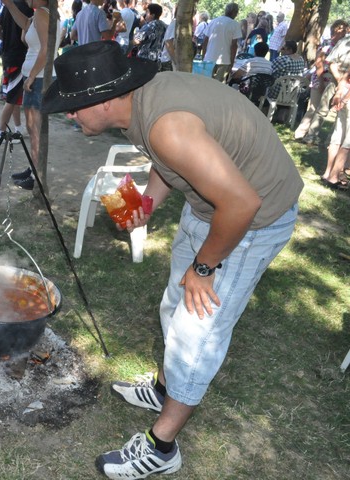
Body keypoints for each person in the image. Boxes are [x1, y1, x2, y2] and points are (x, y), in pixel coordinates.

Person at [42, 40, 303, 479]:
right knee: (173, 306)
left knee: (196, 333)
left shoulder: (167, 125)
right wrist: (146, 203)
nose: (70, 115)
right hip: (211, 207)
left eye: (74, 106)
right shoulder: (138, 107)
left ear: (103, 100)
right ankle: (165, 389)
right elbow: (168, 163)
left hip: (252, 220)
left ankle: (162, 447)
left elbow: (242, 203)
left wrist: (204, 268)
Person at [0, 0, 60, 190]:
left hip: (39, 78)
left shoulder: (42, 13)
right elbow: (26, 24)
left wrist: (32, 75)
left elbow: (46, 49)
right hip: (39, 76)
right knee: (34, 128)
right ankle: (34, 168)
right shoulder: (43, 13)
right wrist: (10, 6)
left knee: (35, 129)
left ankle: (36, 175)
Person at [296, 19, 349, 145]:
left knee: (339, 111)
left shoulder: (342, 43)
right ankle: (305, 134)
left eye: (344, 31)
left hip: (338, 79)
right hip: (327, 78)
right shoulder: (328, 46)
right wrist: (321, 81)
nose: (342, 33)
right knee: (317, 108)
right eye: (340, 31)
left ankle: (331, 140)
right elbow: (319, 64)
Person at [0, 0, 33, 143]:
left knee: (14, 94)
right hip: (19, 57)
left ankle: (18, 128)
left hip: (7, 56)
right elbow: (25, 38)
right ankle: (1, 132)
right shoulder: (28, 10)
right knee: (12, 98)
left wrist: (8, 40)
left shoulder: (8, 7)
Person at [202, 2, 242, 83]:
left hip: (209, 58)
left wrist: (204, 56)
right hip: (224, 60)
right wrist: (232, 62)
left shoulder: (213, 21)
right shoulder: (235, 25)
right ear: (234, 12)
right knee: (219, 85)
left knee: (206, 83)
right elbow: (234, 46)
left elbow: (205, 41)